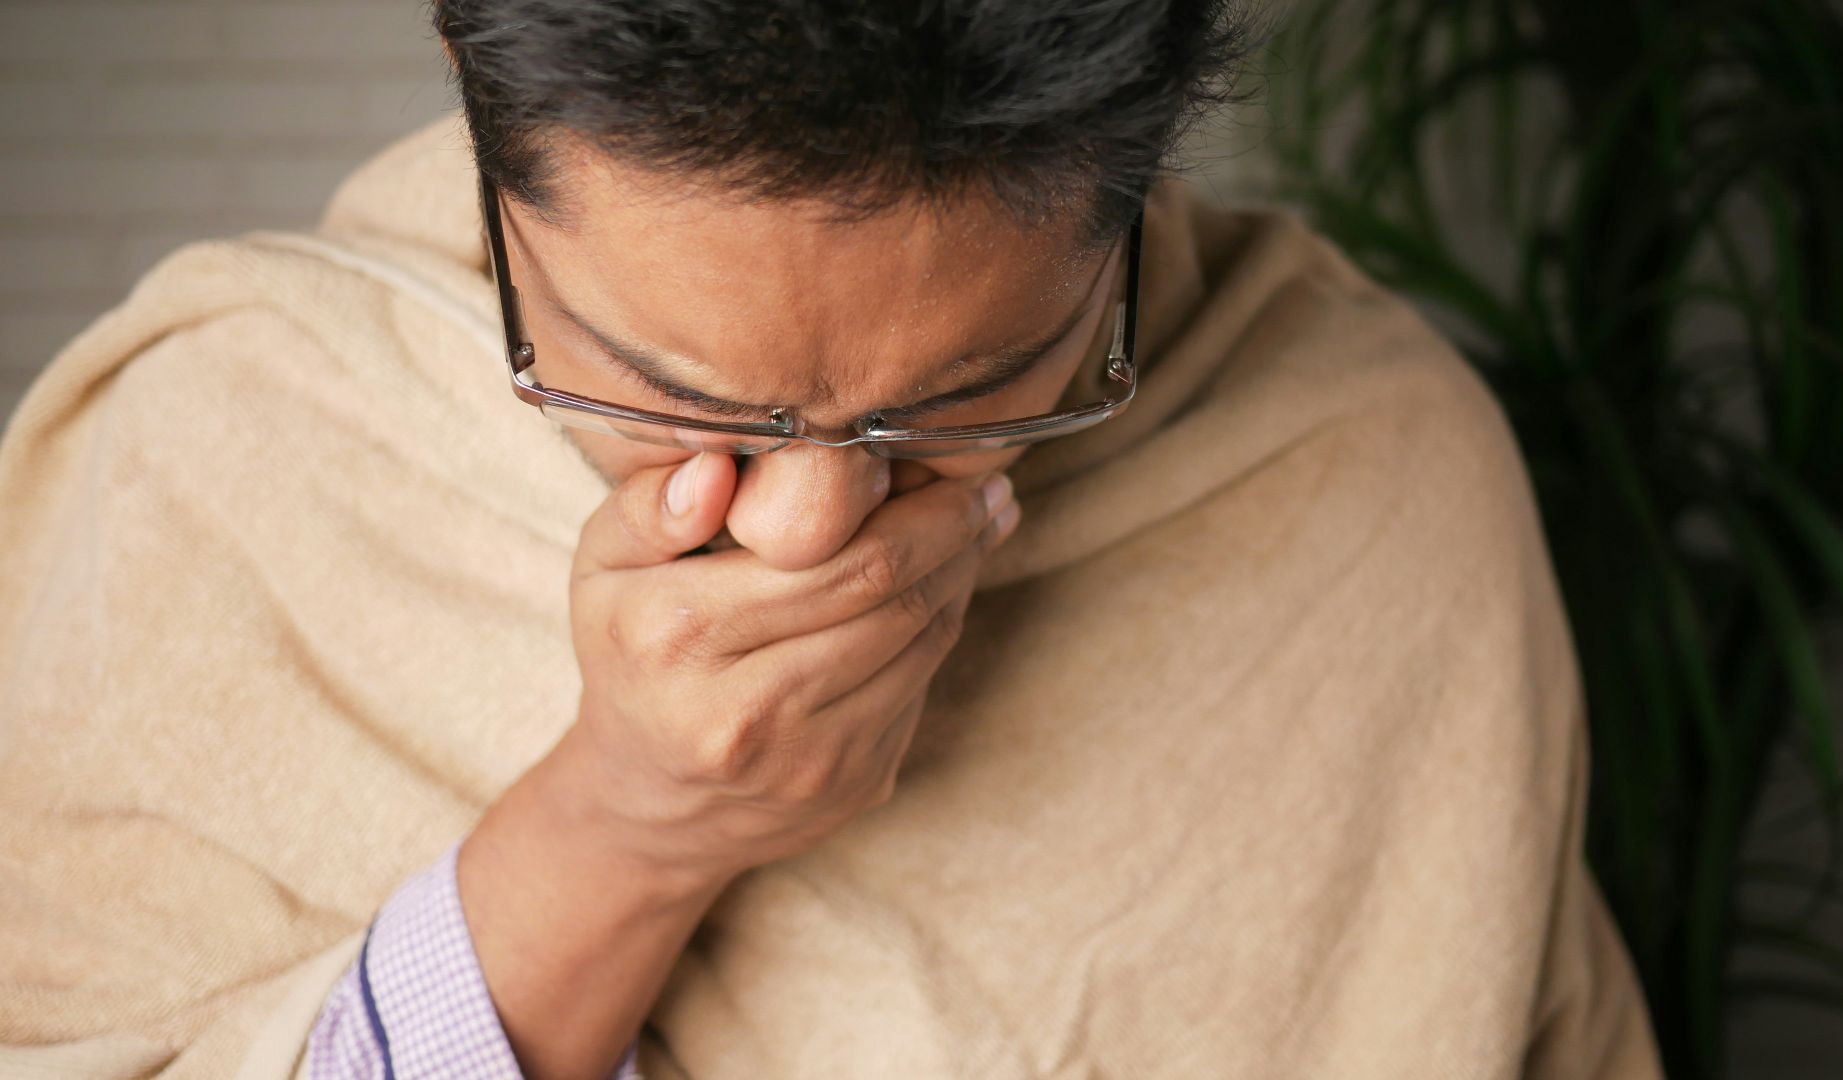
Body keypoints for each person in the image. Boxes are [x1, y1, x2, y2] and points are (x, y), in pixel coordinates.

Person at [0, 2, 1663, 1078]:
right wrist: (619, 834)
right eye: (658, 385)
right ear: (474, 97)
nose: (810, 531)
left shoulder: (1374, 472)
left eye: (985, 387)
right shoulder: (213, 457)